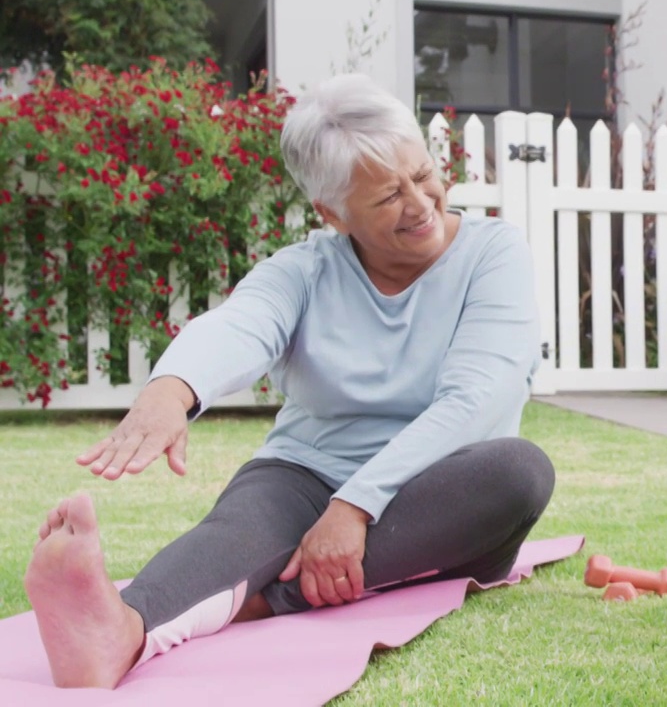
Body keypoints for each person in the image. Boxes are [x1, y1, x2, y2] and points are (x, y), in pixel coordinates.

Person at [23, 73, 556, 690]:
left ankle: (264, 597)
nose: (420, 202)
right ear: (333, 213)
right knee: (236, 533)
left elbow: (476, 399)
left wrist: (353, 507)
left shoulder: (495, 255)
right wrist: (171, 390)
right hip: (305, 475)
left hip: (435, 491)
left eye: (423, 174)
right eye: (388, 196)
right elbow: (238, 326)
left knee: (520, 472)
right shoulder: (304, 270)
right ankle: (117, 630)